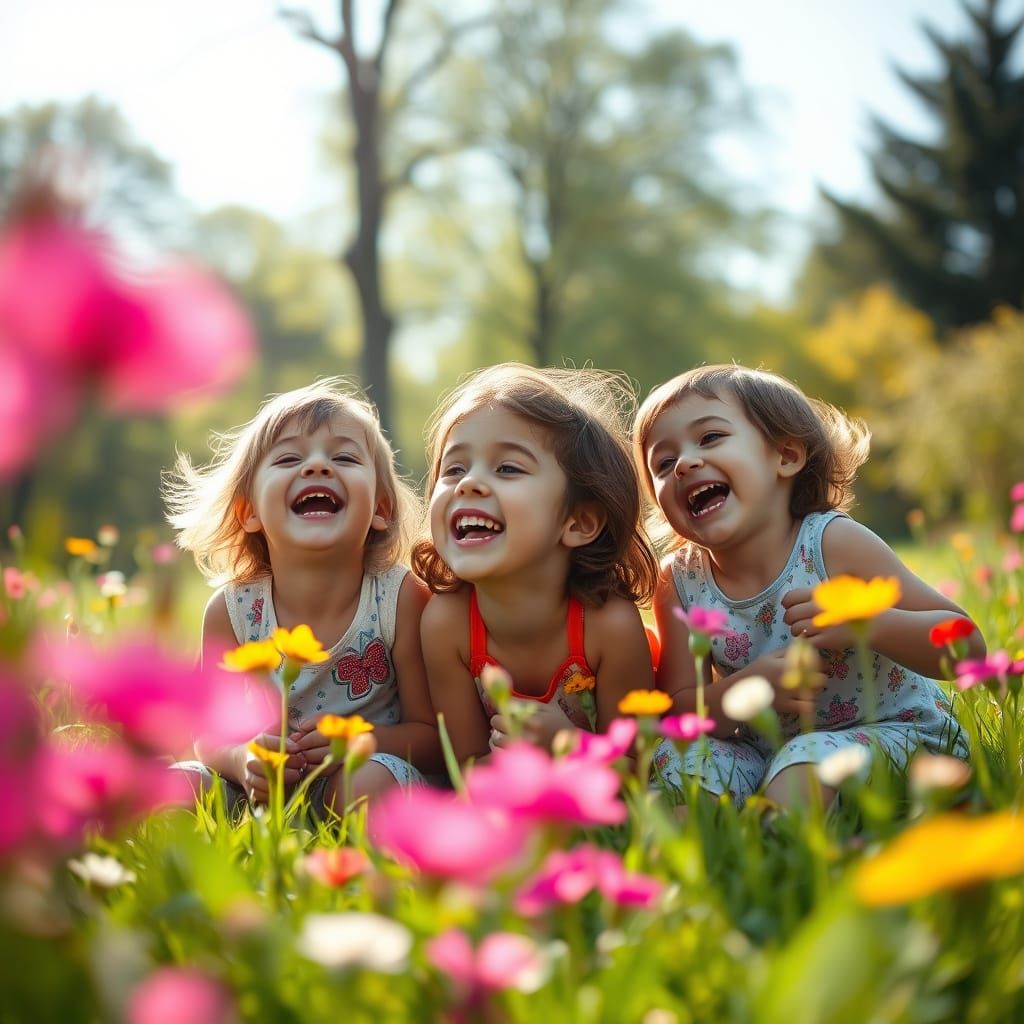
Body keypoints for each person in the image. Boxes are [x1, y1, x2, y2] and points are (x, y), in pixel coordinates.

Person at [633, 364, 984, 808]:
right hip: (766, 754)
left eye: (710, 438)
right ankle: (713, 835)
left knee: (806, 761)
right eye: (663, 463)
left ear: (786, 456)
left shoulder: (832, 543)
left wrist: (869, 624)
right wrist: (746, 688)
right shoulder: (680, 580)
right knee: (674, 757)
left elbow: (968, 647)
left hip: (900, 734)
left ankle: (773, 841)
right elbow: (682, 709)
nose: (684, 464)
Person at [164, 378, 441, 811]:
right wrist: (243, 760)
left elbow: (430, 735)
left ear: (381, 510)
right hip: (261, 792)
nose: (316, 467)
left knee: (369, 783)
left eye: (344, 457)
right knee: (173, 789)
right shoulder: (233, 611)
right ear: (249, 511)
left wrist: (356, 743)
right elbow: (207, 736)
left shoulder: (399, 598)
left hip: (360, 777)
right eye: (290, 458)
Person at [412, 363, 659, 770]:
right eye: (454, 468)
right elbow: (467, 766)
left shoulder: (609, 626)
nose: (467, 483)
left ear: (578, 523)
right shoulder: (446, 623)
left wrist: (568, 746)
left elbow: (637, 772)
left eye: (507, 468)